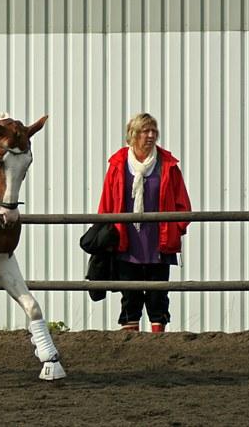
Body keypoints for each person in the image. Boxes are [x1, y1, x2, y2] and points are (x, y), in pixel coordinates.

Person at [97, 113, 192, 332]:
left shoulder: (168, 165)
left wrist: (174, 230)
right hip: (126, 241)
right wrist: (109, 232)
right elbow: (106, 203)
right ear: (132, 135)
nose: (150, 136)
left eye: (153, 131)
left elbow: (183, 206)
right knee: (129, 295)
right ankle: (131, 341)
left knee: (158, 294)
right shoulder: (118, 164)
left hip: (159, 242)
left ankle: (158, 341)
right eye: (144, 131)